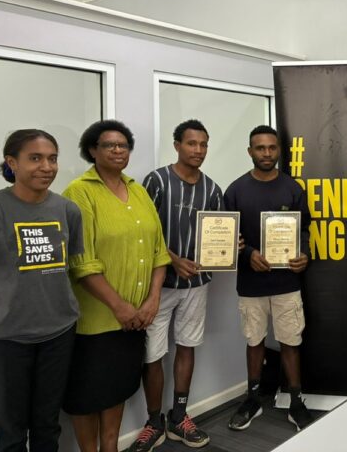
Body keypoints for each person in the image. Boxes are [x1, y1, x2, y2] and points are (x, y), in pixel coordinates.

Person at [0, 129, 82, 452]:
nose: (47, 167)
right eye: (35, 158)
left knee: (47, 426)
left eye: (52, 158)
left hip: (58, 335)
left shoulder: (68, 211)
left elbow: (68, 269)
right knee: (11, 433)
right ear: (12, 163)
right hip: (6, 342)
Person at [62, 120, 170, 452]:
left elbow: (159, 251)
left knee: (117, 390)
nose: (118, 150)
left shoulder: (137, 189)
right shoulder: (79, 191)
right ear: (92, 150)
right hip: (95, 323)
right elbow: (82, 261)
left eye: (123, 145)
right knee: (85, 396)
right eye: (109, 145)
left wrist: (152, 300)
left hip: (136, 319)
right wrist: (120, 307)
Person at [127, 120, 222, 451]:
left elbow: (218, 233)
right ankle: (154, 422)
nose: (198, 150)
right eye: (192, 143)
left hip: (198, 284)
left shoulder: (213, 189)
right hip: (159, 285)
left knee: (187, 345)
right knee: (152, 354)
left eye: (203, 144)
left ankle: (179, 417)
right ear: (177, 145)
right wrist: (173, 259)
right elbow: (143, 232)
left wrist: (229, 248)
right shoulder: (157, 181)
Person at [224, 125, 314, 432]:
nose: (266, 153)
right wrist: (248, 254)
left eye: (271, 148)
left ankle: (296, 402)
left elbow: (304, 229)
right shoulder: (235, 190)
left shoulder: (292, 188)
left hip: (287, 283)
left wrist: (304, 254)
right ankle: (252, 400)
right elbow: (227, 238)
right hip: (251, 284)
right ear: (250, 151)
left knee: (291, 342)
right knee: (254, 341)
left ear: (278, 151)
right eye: (260, 148)